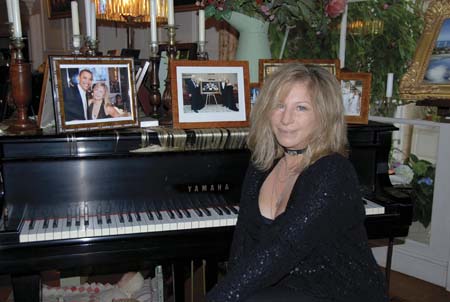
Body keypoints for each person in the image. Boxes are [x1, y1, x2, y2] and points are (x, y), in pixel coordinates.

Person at [206, 63, 388, 302]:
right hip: (286, 283)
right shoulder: (263, 163)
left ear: (323, 116)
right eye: (279, 106)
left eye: (301, 108)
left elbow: (284, 246)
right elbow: (244, 240)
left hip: (338, 290)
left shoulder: (332, 171)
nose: (286, 119)